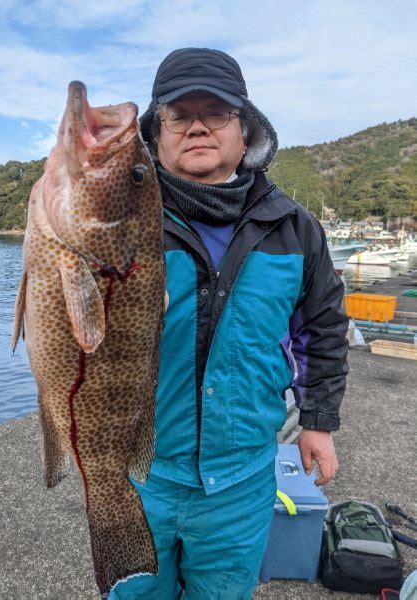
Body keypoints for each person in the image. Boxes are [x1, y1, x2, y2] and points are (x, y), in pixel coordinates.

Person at [109, 47, 348, 600]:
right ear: (155, 133)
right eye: (177, 115)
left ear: (246, 129)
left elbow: (324, 328)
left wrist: (317, 421)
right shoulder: (119, 222)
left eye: (215, 113)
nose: (196, 127)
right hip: (139, 471)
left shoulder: (294, 226)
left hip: (240, 478)